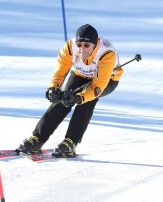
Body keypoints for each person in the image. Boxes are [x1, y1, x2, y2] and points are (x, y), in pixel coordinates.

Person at [16, 24, 124, 157]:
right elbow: (60, 72)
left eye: (86, 45)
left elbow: (97, 87)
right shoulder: (69, 47)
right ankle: (37, 139)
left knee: (86, 101)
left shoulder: (106, 53)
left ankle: (70, 142)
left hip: (107, 80)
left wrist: (79, 98)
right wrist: (53, 89)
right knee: (63, 99)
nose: (82, 49)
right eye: (79, 45)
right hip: (80, 74)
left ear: (95, 44)